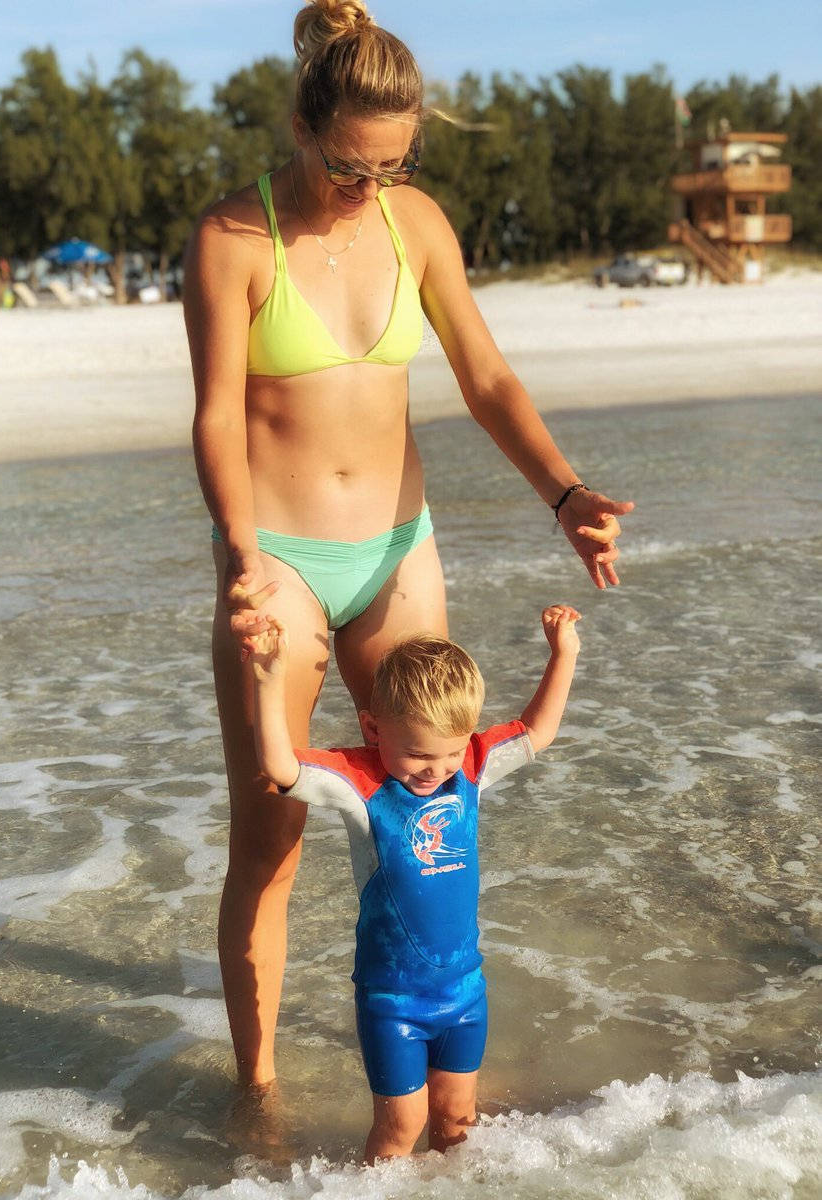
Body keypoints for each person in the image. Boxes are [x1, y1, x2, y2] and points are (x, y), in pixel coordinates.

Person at [183, 0, 633, 1091]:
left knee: (427, 800)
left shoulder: (414, 224)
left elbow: (486, 380)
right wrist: (244, 557)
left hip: (398, 549)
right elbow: (215, 416)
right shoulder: (233, 240)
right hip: (281, 561)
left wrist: (563, 493)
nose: (370, 190)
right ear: (303, 126)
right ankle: (260, 1091)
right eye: (351, 168)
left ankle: (425, 1060)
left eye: (393, 167)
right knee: (274, 838)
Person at [240, 605, 580, 1159]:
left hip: (466, 993)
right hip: (393, 1000)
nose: (434, 769)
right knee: (401, 1130)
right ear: (373, 728)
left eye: (448, 752)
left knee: (458, 1122)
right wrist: (268, 678)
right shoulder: (360, 782)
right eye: (417, 753)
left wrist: (563, 653)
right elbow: (280, 767)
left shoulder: (470, 766)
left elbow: (538, 732)